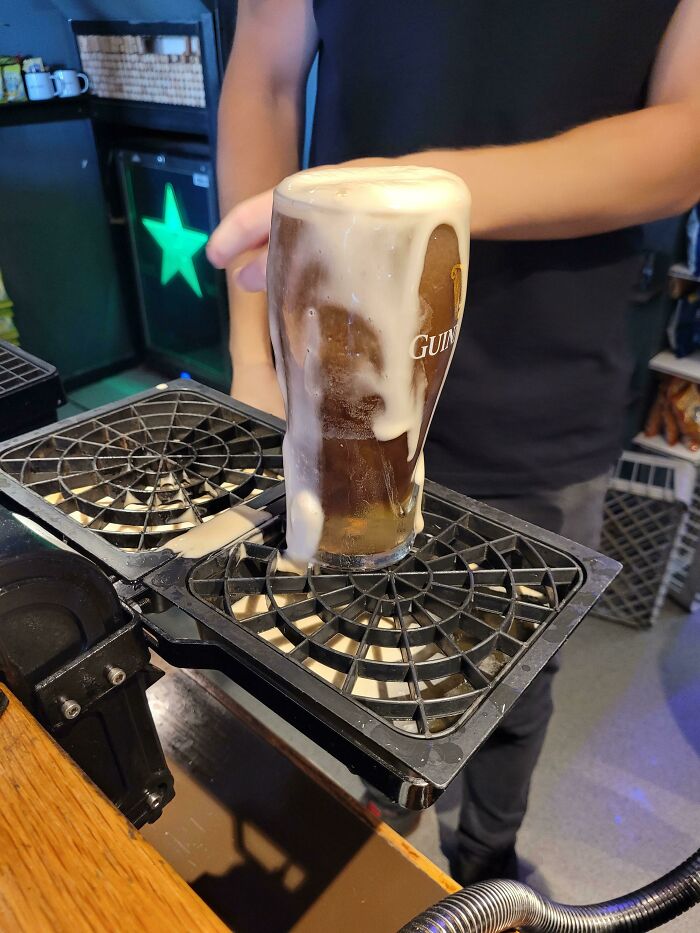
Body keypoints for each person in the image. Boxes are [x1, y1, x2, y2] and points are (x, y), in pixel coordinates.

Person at [207, 0, 700, 884]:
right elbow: (267, 75)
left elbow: (689, 137)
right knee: (359, 656)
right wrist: (256, 351)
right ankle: (379, 835)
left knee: (513, 678)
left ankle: (484, 864)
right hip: (338, 361)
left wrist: (415, 190)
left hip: (546, 370)